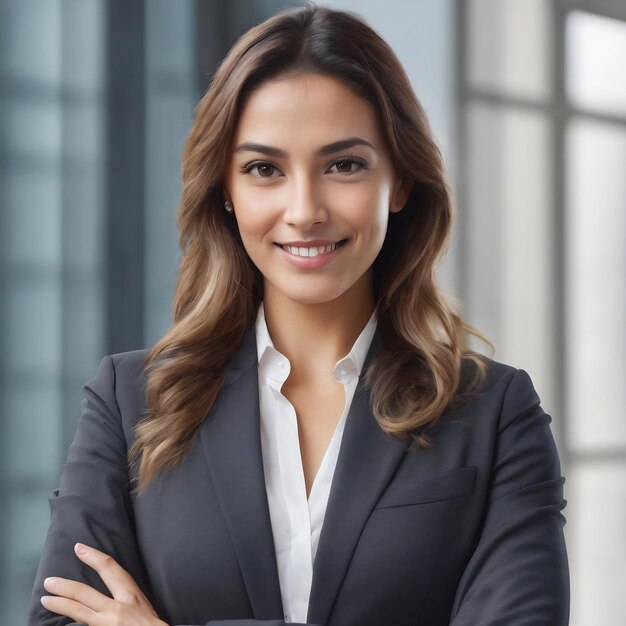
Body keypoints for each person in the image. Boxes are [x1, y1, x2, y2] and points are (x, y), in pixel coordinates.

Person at [28, 3, 569, 625]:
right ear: (225, 191)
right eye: (264, 169)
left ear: (403, 181)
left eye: (344, 165)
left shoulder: (495, 413)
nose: (304, 208)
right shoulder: (130, 402)